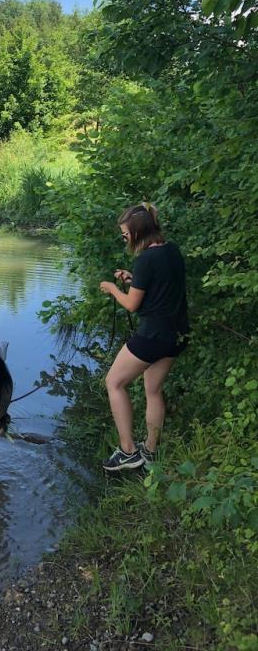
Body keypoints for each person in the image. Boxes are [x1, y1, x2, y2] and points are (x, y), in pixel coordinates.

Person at [98, 202, 189, 471]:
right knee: (153, 389)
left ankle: (128, 452)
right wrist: (133, 279)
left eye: (125, 233)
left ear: (137, 232)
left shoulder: (145, 259)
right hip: (176, 335)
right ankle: (150, 452)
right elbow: (160, 287)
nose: (124, 238)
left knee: (114, 382)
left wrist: (114, 288)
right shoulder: (171, 251)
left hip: (152, 336)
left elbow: (131, 305)